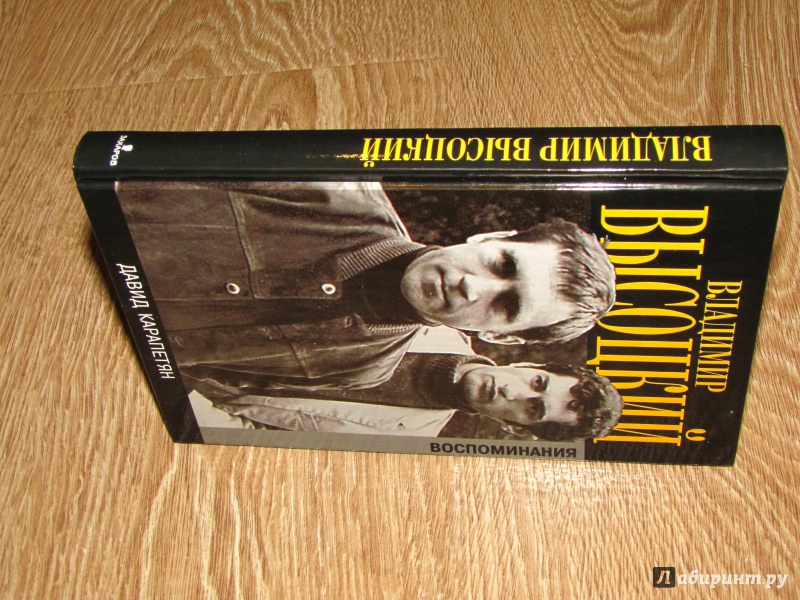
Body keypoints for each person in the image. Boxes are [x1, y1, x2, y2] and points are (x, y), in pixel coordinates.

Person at [116, 180, 616, 395]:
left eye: (506, 305)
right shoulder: (329, 190)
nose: (471, 285)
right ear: (489, 238)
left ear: (499, 338)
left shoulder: (360, 369)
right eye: (502, 263)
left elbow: (200, 375)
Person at [207, 352, 624, 442]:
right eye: (537, 382)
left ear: (516, 427)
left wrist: (188, 400)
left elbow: (251, 436)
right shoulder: (425, 315)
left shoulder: (406, 438)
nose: (511, 391)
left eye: (532, 408)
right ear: (531, 363)